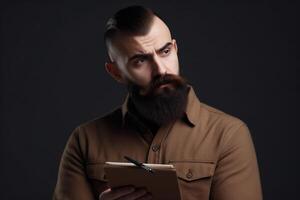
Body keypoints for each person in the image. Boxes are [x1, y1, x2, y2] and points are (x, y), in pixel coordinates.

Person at [53, 5, 263, 200]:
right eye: (140, 61)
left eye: (165, 52)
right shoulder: (84, 141)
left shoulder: (228, 135)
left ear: (175, 48)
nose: (161, 70)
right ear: (116, 72)